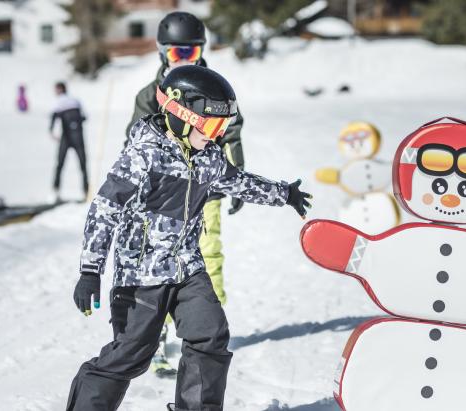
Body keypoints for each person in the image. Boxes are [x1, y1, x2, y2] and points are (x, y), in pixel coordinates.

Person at [66, 65, 312, 411]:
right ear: (181, 116)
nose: (217, 135)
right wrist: (90, 270)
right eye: (212, 126)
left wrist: (283, 194)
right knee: (132, 354)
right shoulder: (143, 156)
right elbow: (105, 209)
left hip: (187, 270)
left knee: (210, 335)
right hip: (141, 276)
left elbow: (239, 181)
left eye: (223, 127)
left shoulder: (208, 157)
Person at [126, 11, 246, 376]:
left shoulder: (216, 87)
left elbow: (232, 133)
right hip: (164, 196)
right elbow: (135, 140)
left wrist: (236, 178)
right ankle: (156, 335)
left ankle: (207, 330)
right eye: (178, 55)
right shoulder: (151, 94)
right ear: (163, 53)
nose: (187, 60)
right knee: (160, 262)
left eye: (192, 53)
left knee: (208, 255)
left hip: (205, 191)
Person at [49, 82, 89, 202]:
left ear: (60, 90)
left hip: (66, 137)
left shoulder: (58, 102)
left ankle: (55, 191)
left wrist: (51, 132)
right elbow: (85, 117)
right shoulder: (76, 100)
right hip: (78, 136)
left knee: (60, 164)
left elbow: (53, 118)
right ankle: (86, 192)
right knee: (83, 165)